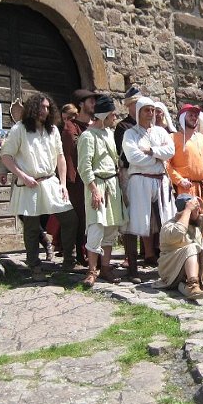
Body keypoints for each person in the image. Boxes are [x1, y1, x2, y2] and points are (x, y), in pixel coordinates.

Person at [1, 93, 77, 280]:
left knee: (70, 219)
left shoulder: (52, 130)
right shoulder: (19, 129)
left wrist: (63, 184)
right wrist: (23, 176)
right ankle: (34, 265)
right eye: (41, 107)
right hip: (29, 184)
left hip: (50, 181)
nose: (45, 111)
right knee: (32, 227)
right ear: (33, 108)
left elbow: (60, 157)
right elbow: (6, 156)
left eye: (47, 107)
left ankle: (69, 260)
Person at [77, 94, 127, 287]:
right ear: (105, 114)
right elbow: (85, 166)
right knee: (96, 227)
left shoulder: (108, 133)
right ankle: (92, 270)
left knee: (110, 229)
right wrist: (93, 190)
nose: (115, 117)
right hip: (97, 185)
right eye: (113, 114)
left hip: (112, 185)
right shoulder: (88, 136)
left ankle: (105, 268)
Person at [122, 96, 177, 265]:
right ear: (138, 112)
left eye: (152, 110)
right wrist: (157, 158)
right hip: (140, 181)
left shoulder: (161, 132)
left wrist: (151, 151)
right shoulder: (130, 133)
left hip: (160, 181)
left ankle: (167, 262)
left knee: (166, 221)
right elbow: (133, 157)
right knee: (136, 222)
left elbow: (170, 151)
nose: (150, 113)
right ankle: (132, 267)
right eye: (146, 110)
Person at [165, 104, 203, 243]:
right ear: (183, 118)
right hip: (185, 188)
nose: (194, 118)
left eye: (196, 115)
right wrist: (179, 180)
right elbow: (167, 163)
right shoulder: (173, 138)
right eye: (191, 115)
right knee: (187, 224)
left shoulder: (202, 138)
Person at [62, 89, 98, 267]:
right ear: (81, 104)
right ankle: (79, 254)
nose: (94, 104)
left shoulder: (96, 125)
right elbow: (75, 150)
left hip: (96, 177)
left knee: (94, 217)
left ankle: (94, 253)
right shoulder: (71, 126)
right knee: (80, 217)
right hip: (77, 179)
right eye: (90, 101)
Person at [115, 85, 143, 275]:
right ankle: (130, 259)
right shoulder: (123, 127)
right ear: (129, 107)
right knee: (130, 216)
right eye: (135, 104)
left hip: (147, 175)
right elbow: (123, 155)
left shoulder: (148, 126)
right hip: (129, 173)